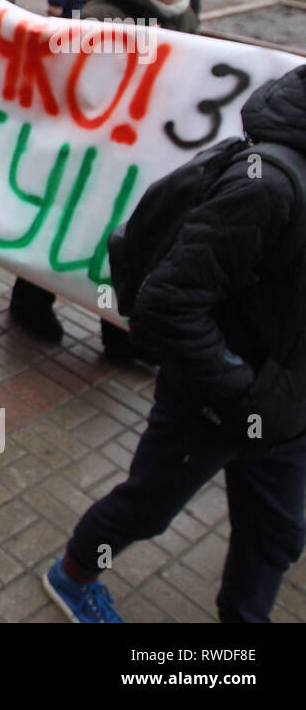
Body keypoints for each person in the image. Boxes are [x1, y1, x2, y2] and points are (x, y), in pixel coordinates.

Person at [44, 58, 306, 623]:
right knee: (146, 508)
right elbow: (168, 305)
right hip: (217, 406)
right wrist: (240, 392)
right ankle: (74, 573)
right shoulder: (267, 187)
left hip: (289, 411)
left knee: (277, 534)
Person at [10, 0, 209, 358]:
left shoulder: (181, 14)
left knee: (132, 244)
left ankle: (119, 331)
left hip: (145, 159)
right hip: (94, 157)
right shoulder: (104, 18)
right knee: (67, 230)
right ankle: (31, 302)